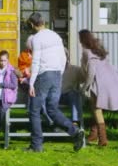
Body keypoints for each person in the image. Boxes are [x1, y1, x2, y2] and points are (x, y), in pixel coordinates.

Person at [26, 12, 85, 152]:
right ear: (43, 22)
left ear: (32, 24)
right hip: (57, 75)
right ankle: (75, 132)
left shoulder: (36, 38)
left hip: (43, 76)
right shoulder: (56, 36)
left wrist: (31, 83)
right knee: (52, 109)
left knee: (33, 110)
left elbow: (35, 62)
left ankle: (36, 145)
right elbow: (63, 58)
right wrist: (59, 74)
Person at [79, 29, 118, 147]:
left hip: (100, 83)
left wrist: (84, 87)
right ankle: (93, 134)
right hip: (110, 79)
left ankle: (103, 140)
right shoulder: (98, 49)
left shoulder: (87, 51)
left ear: (82, 39)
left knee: (97, 109)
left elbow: (91, 71)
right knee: (95, 108)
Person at [0, 50, 18, 133]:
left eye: (4, 60)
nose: (2, 62)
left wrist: (1, 85)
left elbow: (14, 85)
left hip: (7, 98)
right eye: (1, 60)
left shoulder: (11, 71)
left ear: (8, 60)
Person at [60, 48, 84, 126]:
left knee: (73, 93)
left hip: (69, 95)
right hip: (56, 95)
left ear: (67, 58)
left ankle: (75, 121)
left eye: (64, 56)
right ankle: (55, 123)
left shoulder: (75, 69)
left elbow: (84, 78)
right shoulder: (54, 70)